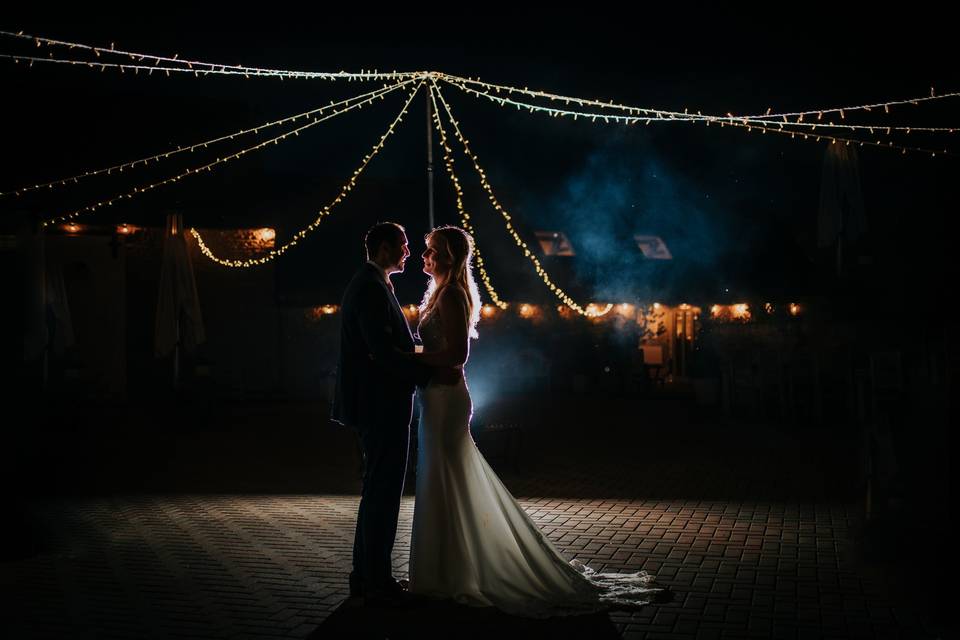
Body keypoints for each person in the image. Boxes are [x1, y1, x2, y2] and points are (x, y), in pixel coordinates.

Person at [405, 225, 663, 618]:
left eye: (432, 251)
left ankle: (451, 573)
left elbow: (456, 355)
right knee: (441, 481)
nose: (425, 257)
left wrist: (411, 358)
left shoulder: (453, 295)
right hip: (434, 398)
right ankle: (441, 570)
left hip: (446, 399)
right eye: (425, 250)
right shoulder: (438, 294)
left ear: (451, 257)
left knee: (447, 480)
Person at [331, 221, 432, 606]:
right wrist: (425, 374)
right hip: (380, 404)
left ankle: (365, 575)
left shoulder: (373, 283)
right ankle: (376, 579)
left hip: (377, 402)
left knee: (378, 490)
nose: (408, 252)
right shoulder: (371, 287)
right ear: (385, 247)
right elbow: (382, 351)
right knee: (384, 492)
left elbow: (389, 346)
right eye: (403, 246)